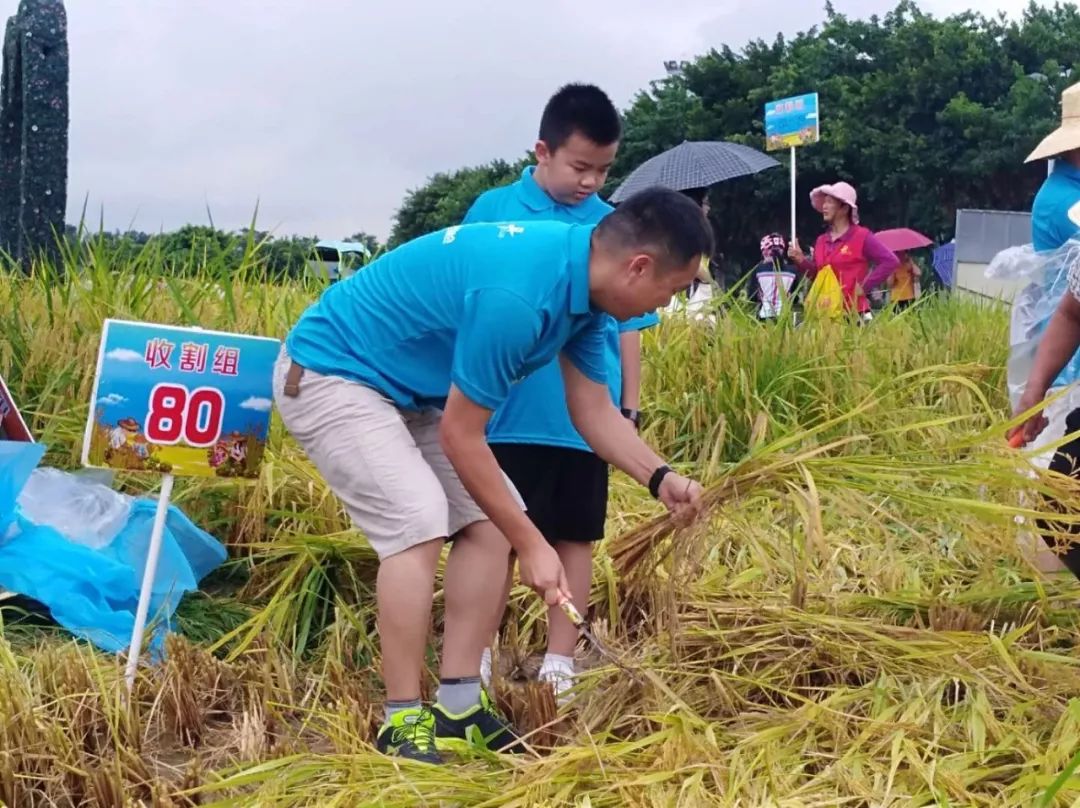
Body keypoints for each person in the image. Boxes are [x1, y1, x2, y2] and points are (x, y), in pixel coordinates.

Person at [272, 188, 710, 764]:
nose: (666, 304)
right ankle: (401, 720)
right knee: (419, 520)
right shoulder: (520, 295)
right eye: (672, 291)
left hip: (407, 394)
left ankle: (458, 708)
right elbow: (461, 435)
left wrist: (660, 478)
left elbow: (594, 412)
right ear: (639, 266)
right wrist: (535, 545)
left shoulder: (590, 294)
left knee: (490, 525)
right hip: (333, 372)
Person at [463, 84, 660, 703]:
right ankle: (482, 655)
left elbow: (628, 328)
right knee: (491, 535)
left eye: (603, 170)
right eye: (580, 167)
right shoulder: (494, 211)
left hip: (582, 415)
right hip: (500, 413)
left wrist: (629, 406)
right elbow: (465, 305)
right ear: (542, 152)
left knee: (575, 535)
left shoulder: (611, 224)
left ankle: (559, 659)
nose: (590, 182)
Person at [1008, 82, 1080, 575]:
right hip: (1067, 360)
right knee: (1056, 506)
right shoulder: (1062, 199)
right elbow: (1073, 309)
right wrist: (1035, 386)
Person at [787, 181, 899, 320]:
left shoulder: (862, 236)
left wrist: (864, 287)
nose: (824, 206)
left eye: (829, 202)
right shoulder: (821, 241)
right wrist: (801, 261)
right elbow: (818, 275)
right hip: (826, 314)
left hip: (854, 313)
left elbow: (890, 261)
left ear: (844, 208)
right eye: (823, 202)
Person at [752, 233, 801, 321]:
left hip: (764, 317)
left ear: (765, 251)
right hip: (784, 317)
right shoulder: (792, 271)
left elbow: (752, 296)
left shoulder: (759, 270)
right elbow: (794, 298)